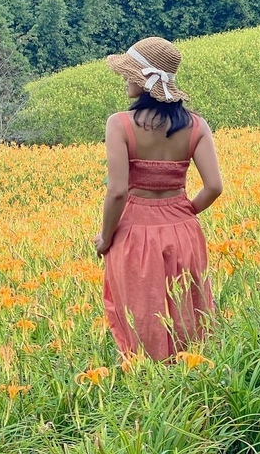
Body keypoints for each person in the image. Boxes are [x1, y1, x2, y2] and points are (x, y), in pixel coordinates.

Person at [94, 37, 222, 361]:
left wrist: (105, 237)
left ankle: (150, 388)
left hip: (134, 233)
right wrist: (183, 211)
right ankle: (191, 379)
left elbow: (118, 191)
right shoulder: (196, 125)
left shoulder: (119, 124)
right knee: (187, 313)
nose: (125, 79)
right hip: (184, 231)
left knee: (141, 315)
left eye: (129, 73)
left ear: (144, 81)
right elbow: (214, 187)